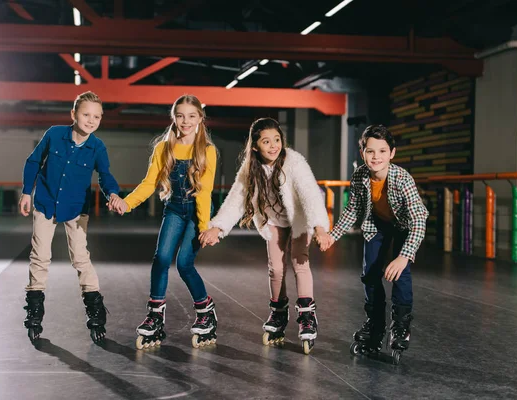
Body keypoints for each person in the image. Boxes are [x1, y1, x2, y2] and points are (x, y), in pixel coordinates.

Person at [199, 117, 331, 355]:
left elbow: (311, 195)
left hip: (300, 219)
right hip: (274, 222)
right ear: (255, 146)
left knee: (300, 262)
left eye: (277, 140)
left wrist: (320, 228)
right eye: (266, 141)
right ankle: (278, 313)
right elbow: (236, 200)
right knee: (276, 269)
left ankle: (307, 315)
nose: (273, 146)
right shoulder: (250, 169)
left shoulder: (294, 162)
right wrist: (218, 228)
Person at [108, 95, 218, 349]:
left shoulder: (207, 151)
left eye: (192, 116)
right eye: (180, 116)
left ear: (200, 118)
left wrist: (204, 227)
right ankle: (155, 316)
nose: (185, 121)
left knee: (184, 263)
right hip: (175, 208)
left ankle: (205, 311)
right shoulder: (163, 148)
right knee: (161, 258)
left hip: (198, 210)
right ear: (174, 118)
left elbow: (204, 192)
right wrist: (127, 203)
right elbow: (149, 183)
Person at [19, 91, 120, 343]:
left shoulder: (97, 147)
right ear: (73, 114)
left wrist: (114, 194)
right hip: (46, 202)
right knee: (40, 256)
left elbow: (105, 176)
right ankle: (34, 312)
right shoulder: (54, 134)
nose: (91, 120)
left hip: (76, 208)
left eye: (96, 116)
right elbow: (33, 162)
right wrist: (26, 193)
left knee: (80, 258)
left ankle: (96, 312)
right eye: (86, 114)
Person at [322, 124, 428, 364]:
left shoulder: (402, 179)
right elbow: (353, 210)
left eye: (382, 151)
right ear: (362, 154)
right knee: (370, 274)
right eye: (370, 151)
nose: (376, 157)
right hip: (377, 225)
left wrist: (404, 256)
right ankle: (375, 325)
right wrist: (332, 235)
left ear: (392, 153)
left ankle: (401, 325)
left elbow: (419, 220)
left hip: (404, 226)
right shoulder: (360, 176)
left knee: (400, 273)